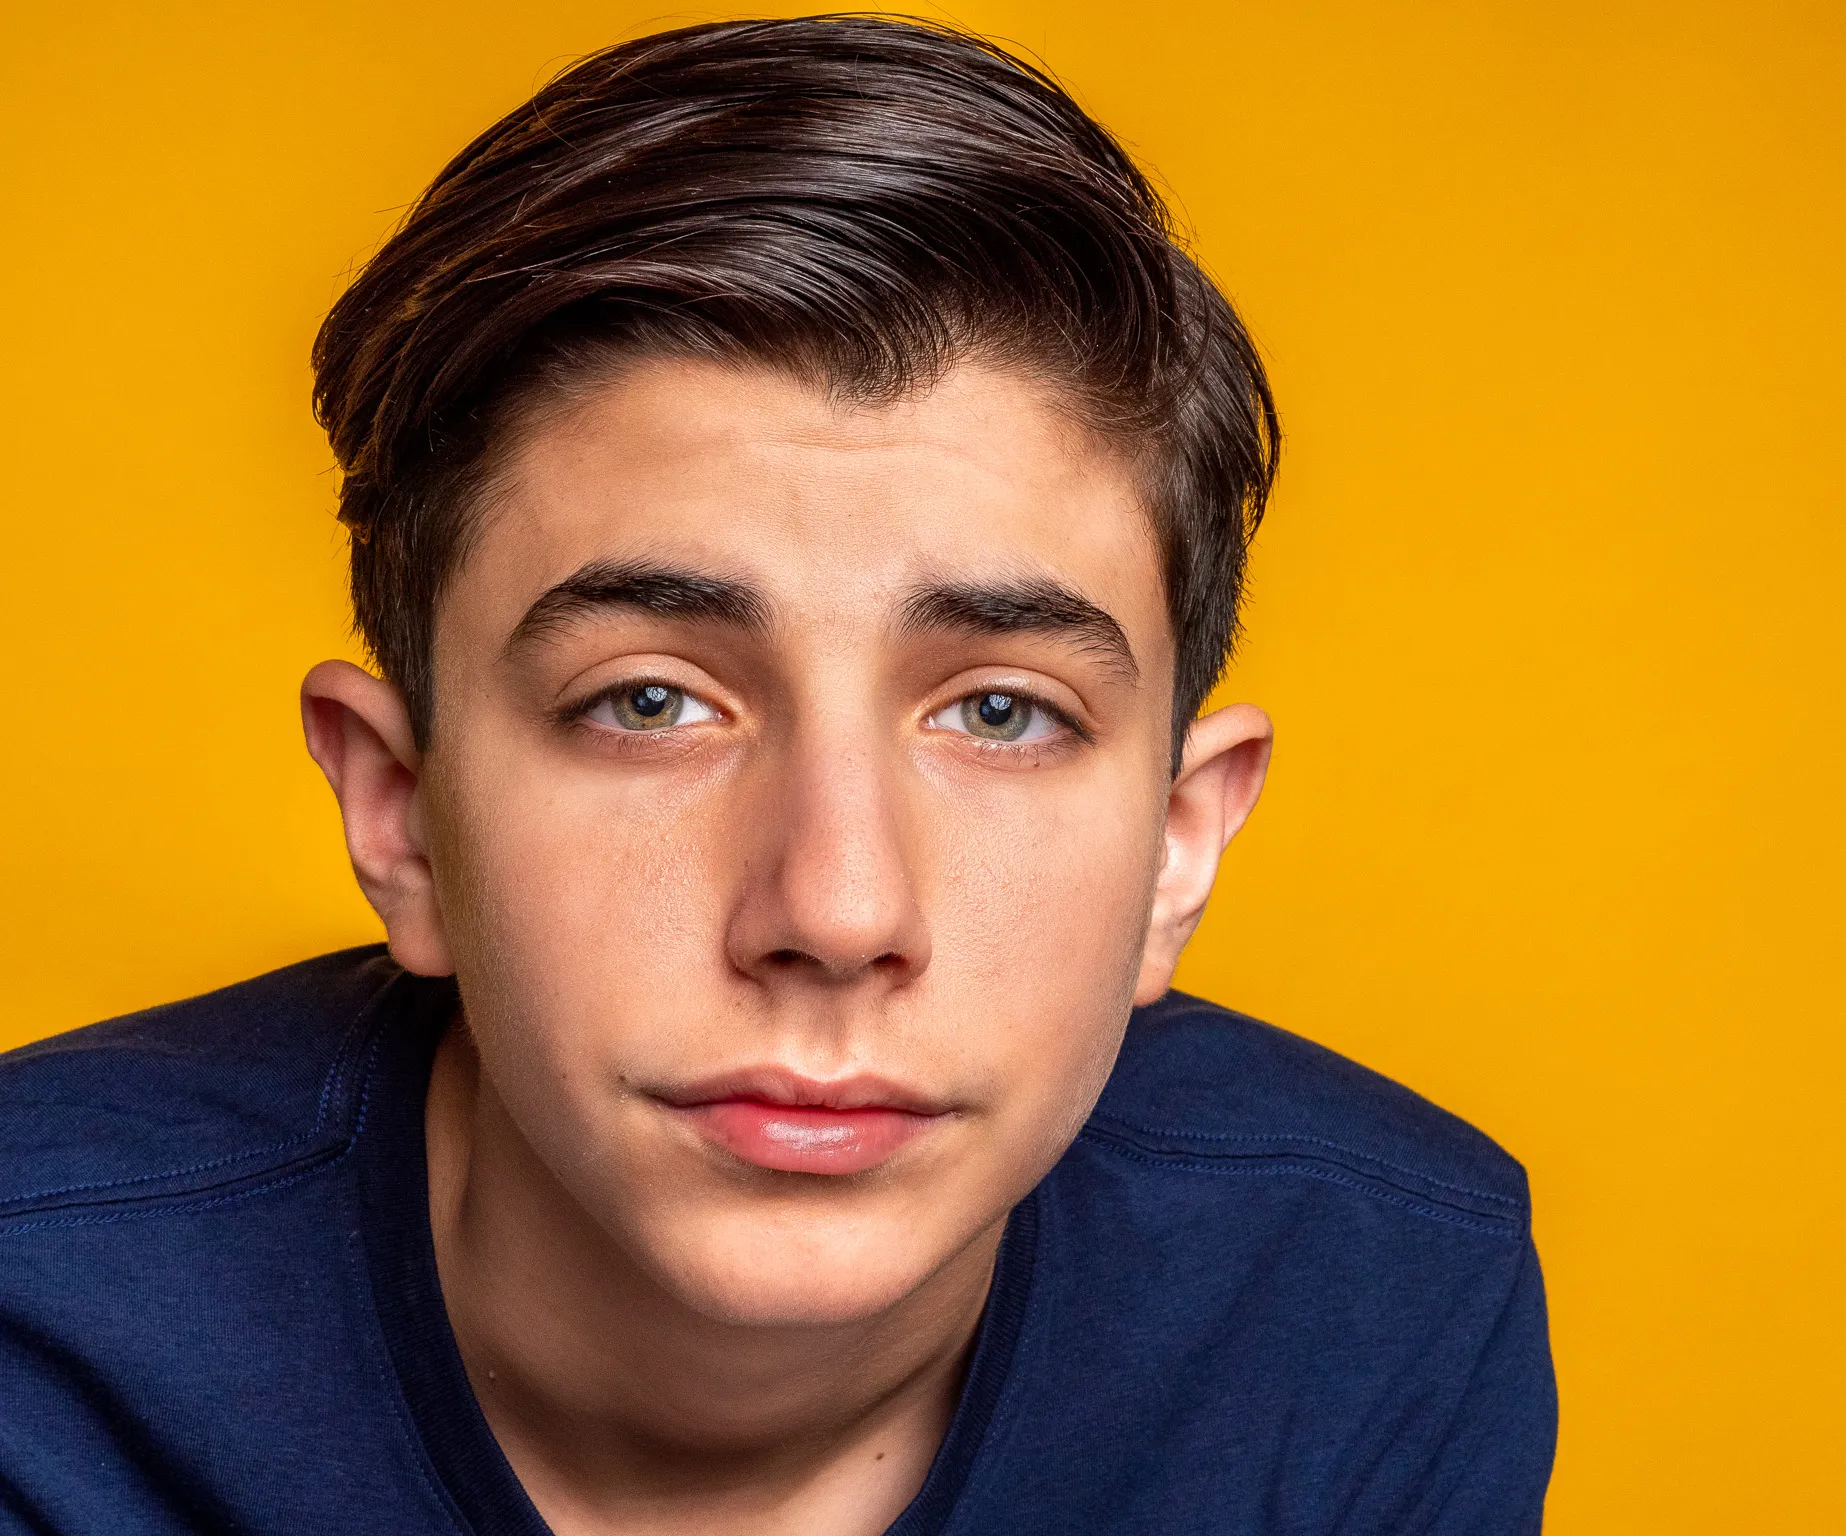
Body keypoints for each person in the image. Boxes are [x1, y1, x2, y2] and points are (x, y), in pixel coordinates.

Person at [0, 16, 1555, 1535]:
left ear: (1179, 847)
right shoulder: (38, 1324)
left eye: (1002, 714)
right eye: (653, 702)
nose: (836, 908)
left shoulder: (1375, 1297)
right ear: (398, 815)